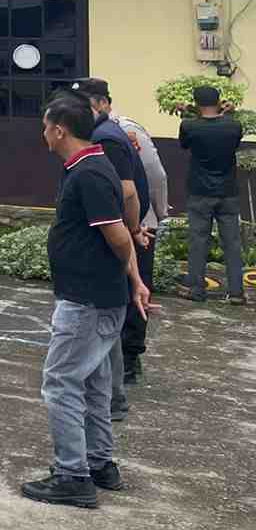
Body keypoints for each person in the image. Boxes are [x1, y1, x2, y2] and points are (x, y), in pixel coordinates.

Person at [21, 93, 151, 509]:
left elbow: (117, 234)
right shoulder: (90, 165)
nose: (43, 134)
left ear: (59, 129)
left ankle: (72, 474)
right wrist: (133, 281)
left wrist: (133, 278)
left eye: (45, 127)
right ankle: (99, 462)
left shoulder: (90, 172)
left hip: (88, 300)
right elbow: (122, 223)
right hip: (99, 296)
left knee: (60, 383)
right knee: (93, 383)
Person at [70, 79, 149, 421]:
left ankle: (112, 399)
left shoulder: (105, 138)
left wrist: (131, 230)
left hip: (109, 241)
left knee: (106, 326)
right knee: (106, 327)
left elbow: (128, 192)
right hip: (113, 236)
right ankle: (109, 396)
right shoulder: (110, 132)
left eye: (85, 103)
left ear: (101, 104)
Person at [112, 101, 170, 381]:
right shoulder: (89, 132)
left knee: (136, 286)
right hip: (111, 223)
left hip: (140, 222)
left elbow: (155, 175)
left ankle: (130, 358)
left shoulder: (125, 130)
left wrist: (157, 213)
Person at [177, 84, 247, 304]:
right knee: (232, 243)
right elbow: (232, 138)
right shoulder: (233, 126)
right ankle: (236, 292)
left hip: (199, 191)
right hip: (228, 192)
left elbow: (184, 144)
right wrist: (229, 113)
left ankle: (197, 290)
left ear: (197, 104)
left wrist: (188, 112)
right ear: (220, 102)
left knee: (198, 241)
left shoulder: (189, 126)